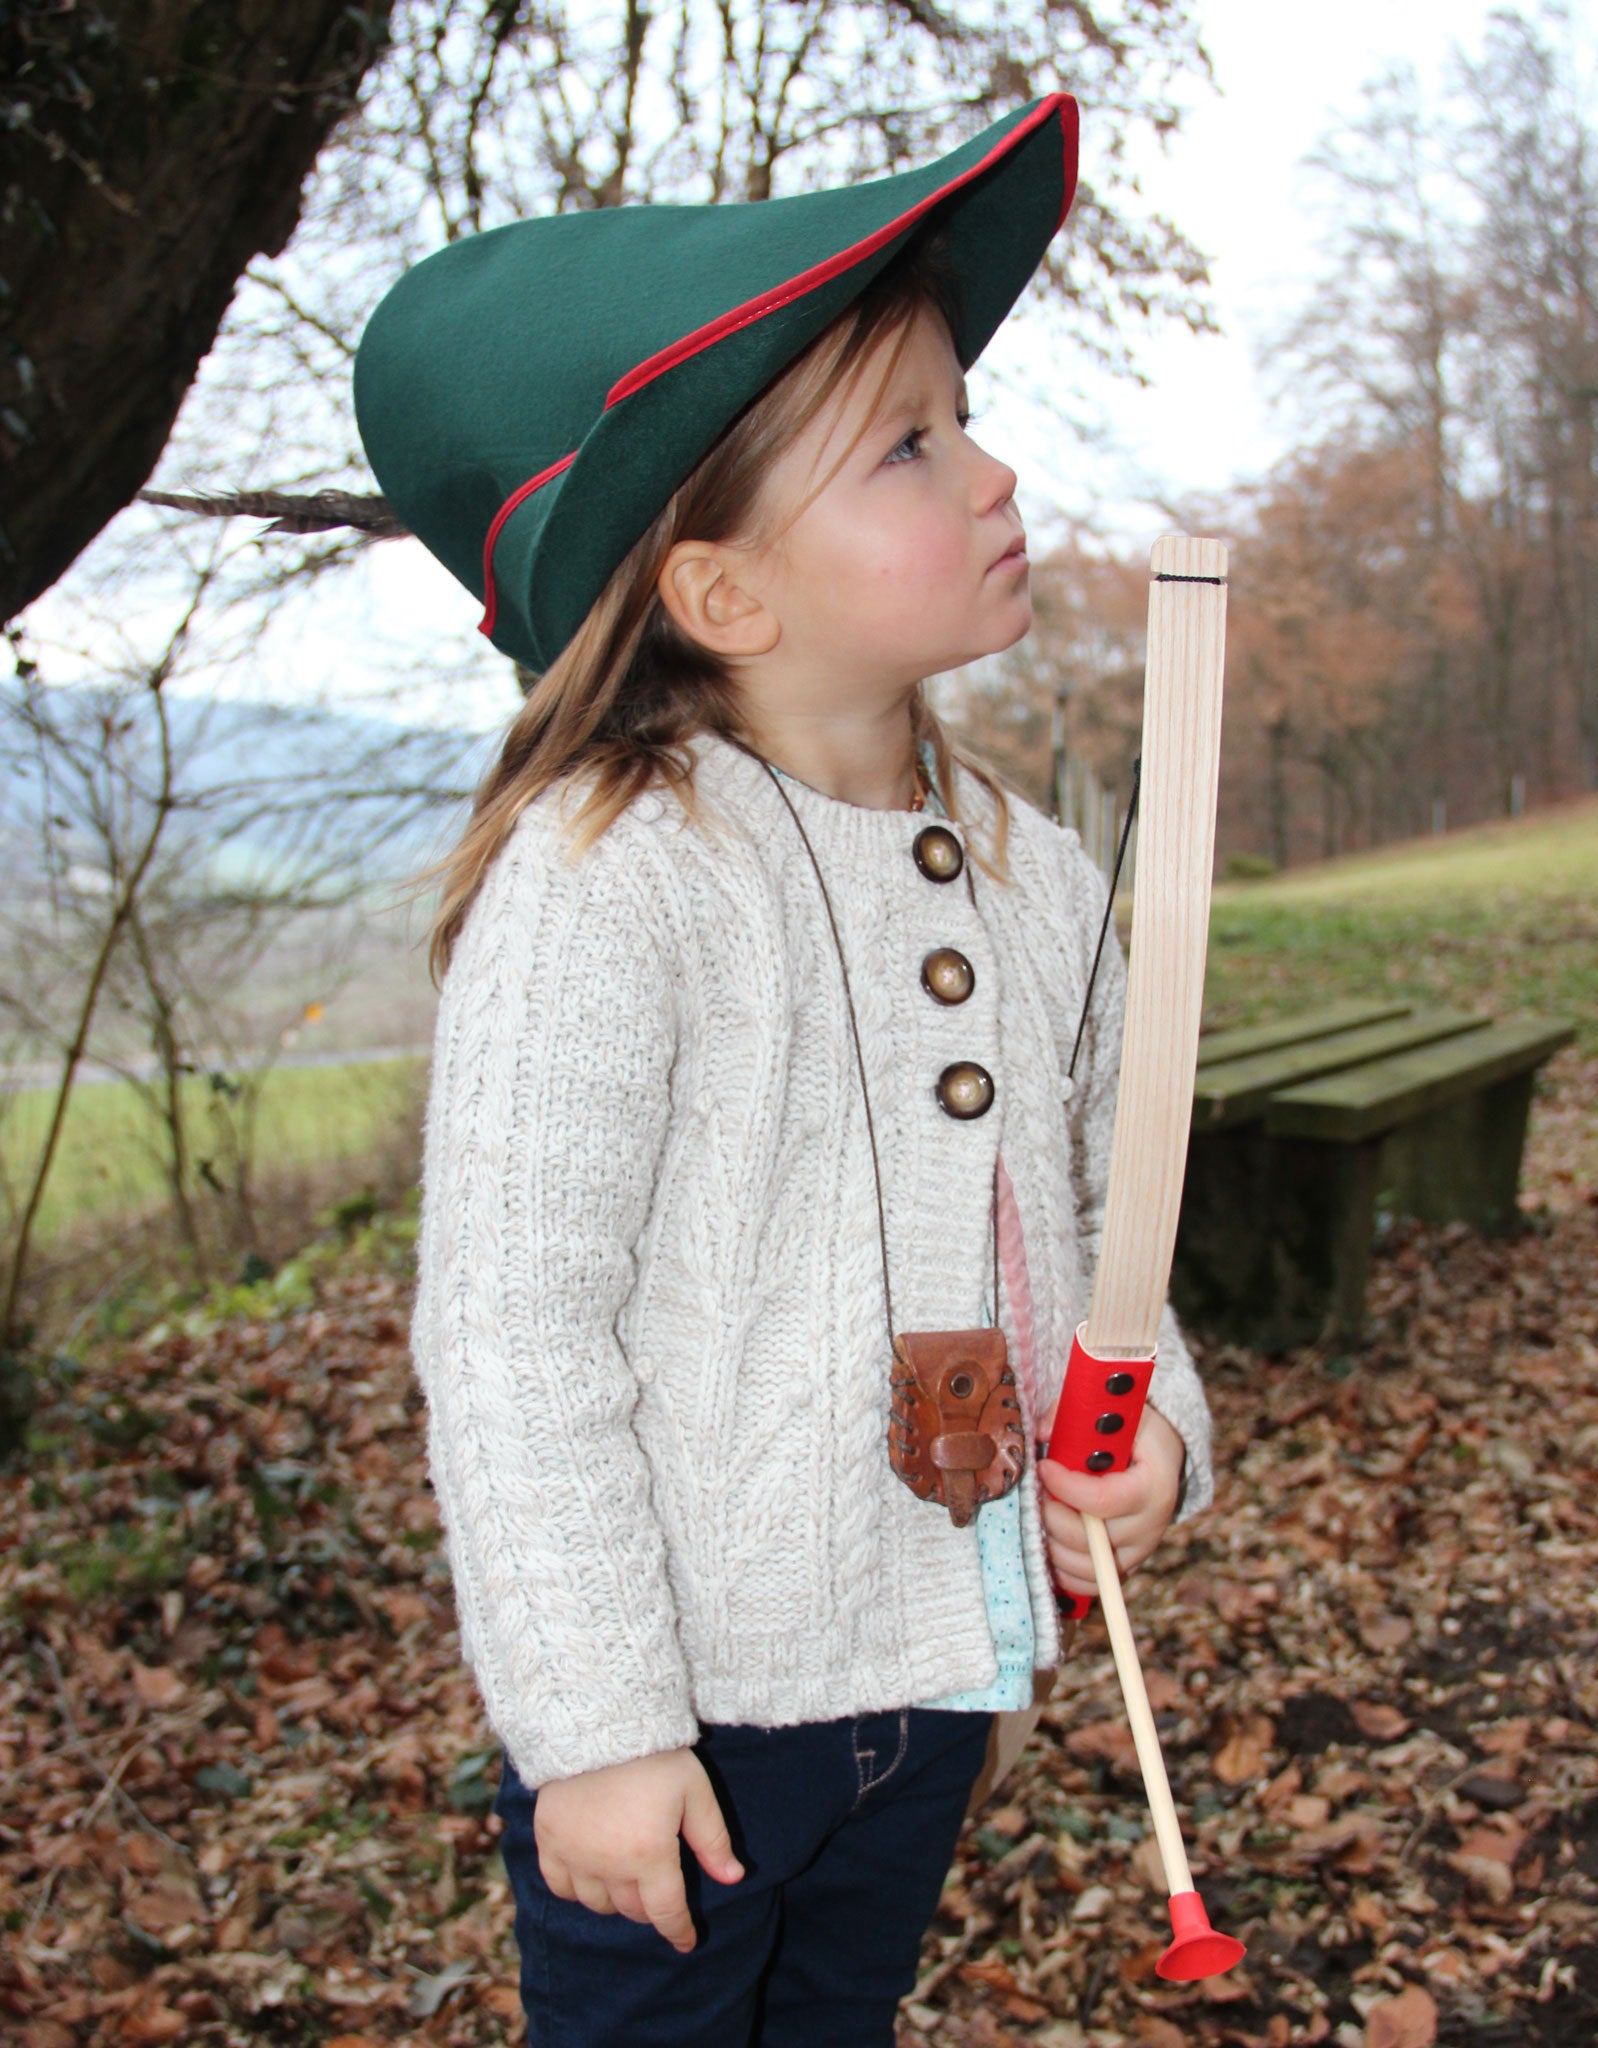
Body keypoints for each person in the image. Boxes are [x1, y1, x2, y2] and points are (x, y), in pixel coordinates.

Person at [352, 91, 1215, 2048]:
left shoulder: (1034, 873)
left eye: (963, 416)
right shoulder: (608, 885)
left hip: (932, 1669)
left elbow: (1097, 1222)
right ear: (725, 593)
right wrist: (593, 1727)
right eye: (910, 444)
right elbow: (513, 1342)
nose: (991, 472)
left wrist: (1150, 1416)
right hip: (690, 1716)